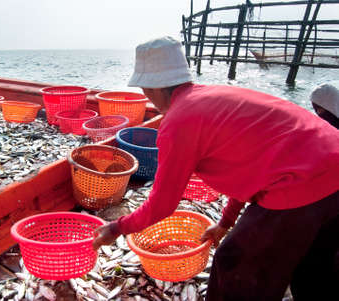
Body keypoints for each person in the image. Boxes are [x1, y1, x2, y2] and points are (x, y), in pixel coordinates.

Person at [92, 36, 339, 301]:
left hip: (300, 184)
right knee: (315, 265)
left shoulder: (179, 121)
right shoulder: (214, 96)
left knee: (235, 264)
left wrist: (117, 228)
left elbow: (161, 205)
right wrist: (225, 223)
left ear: (149, 88)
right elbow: (254, 170)